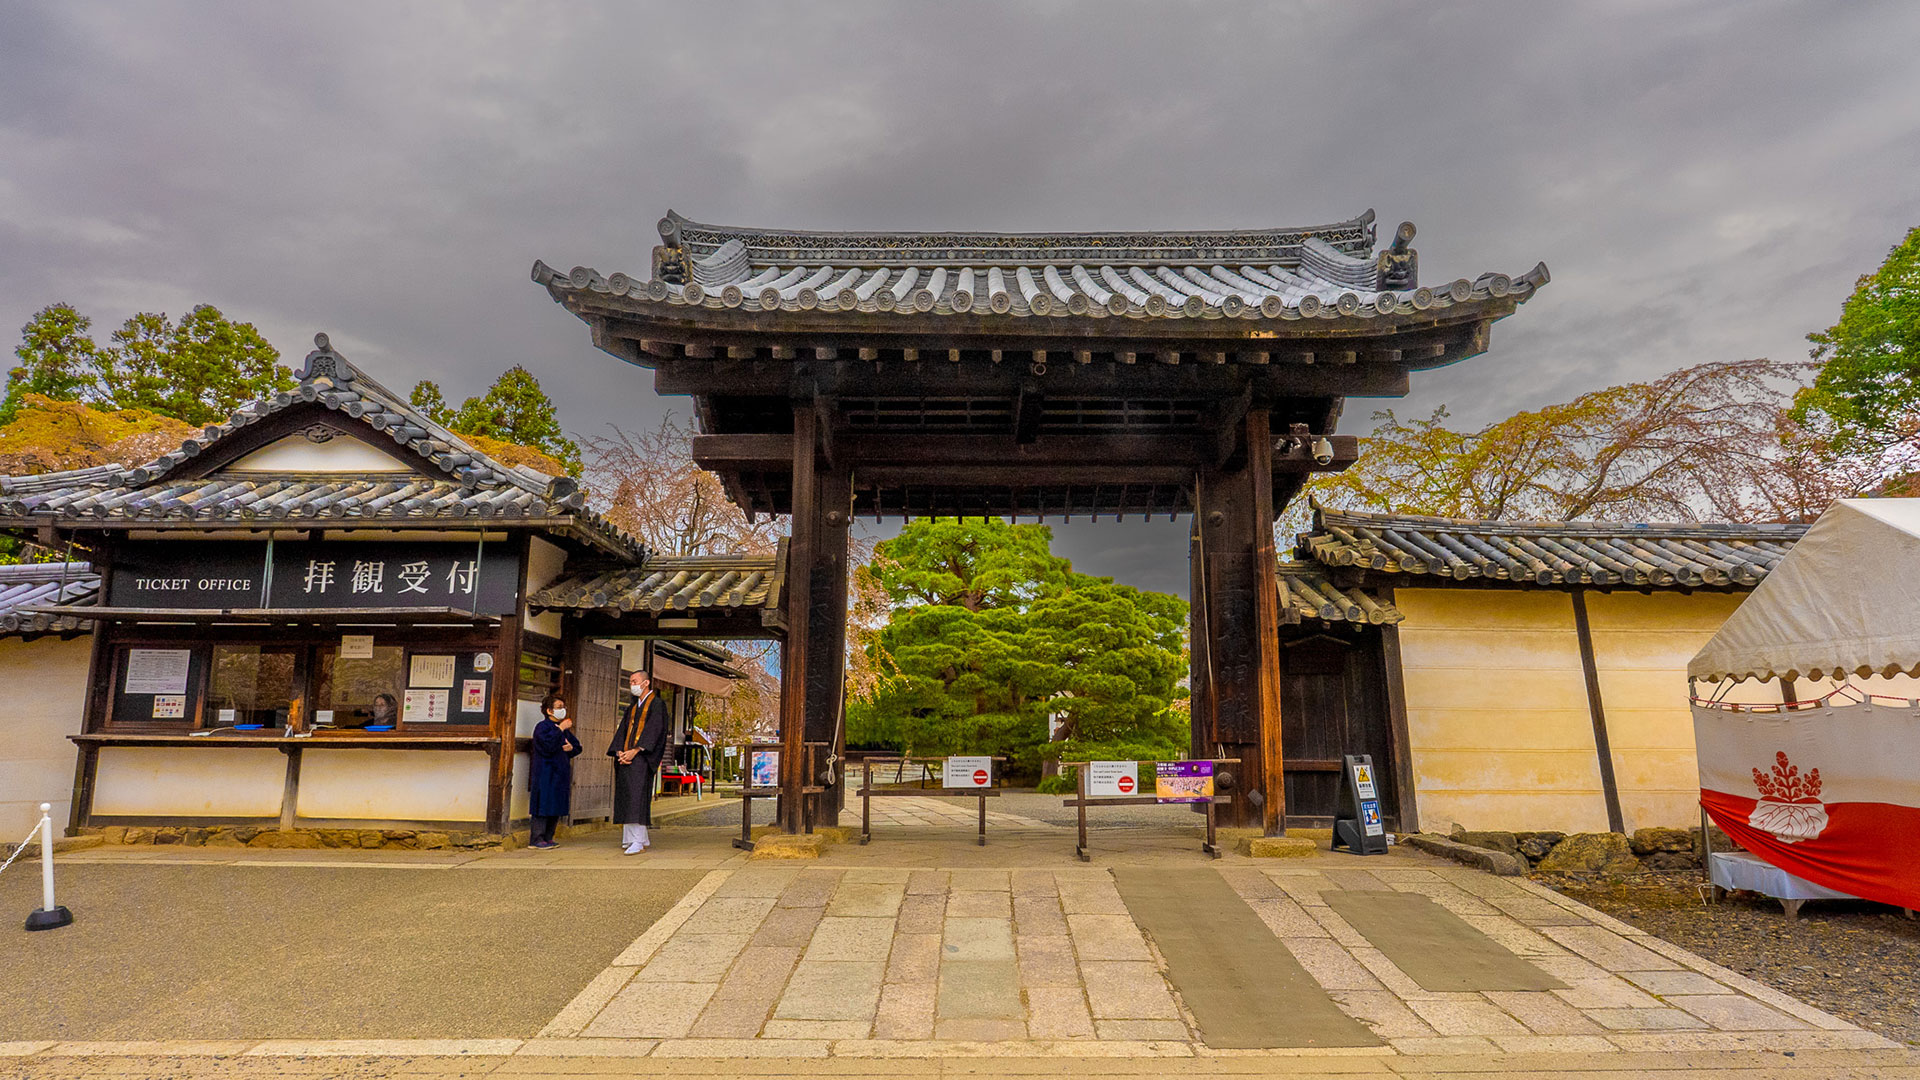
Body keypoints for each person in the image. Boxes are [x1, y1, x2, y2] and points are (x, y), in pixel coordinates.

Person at [608, 668, 669, 854]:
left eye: (634, 681)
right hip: (627, 757)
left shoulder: (657, 704)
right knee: (627, 796)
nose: (632, 685)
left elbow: (655, 730)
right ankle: (633, 838)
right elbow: (623, 731)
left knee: (637, 798)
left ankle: (638, 841)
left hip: (642, 759)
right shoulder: (633, 707)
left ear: (646, 683)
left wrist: (635, 751)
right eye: (631, 682)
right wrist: (620, 751)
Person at [528, 692, 583, 849]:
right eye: (559, 707)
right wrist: (559, 730)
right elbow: (547, 746)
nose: (562, 710)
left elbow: (577, 747)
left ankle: (549, 836)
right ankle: (536, 838)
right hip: (545, 772)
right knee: (543, 805)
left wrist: (571, 748)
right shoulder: (542, 727)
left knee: (556, 804)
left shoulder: (564, 730)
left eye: (563, 707)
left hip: (560, 773)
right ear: (549, 711)